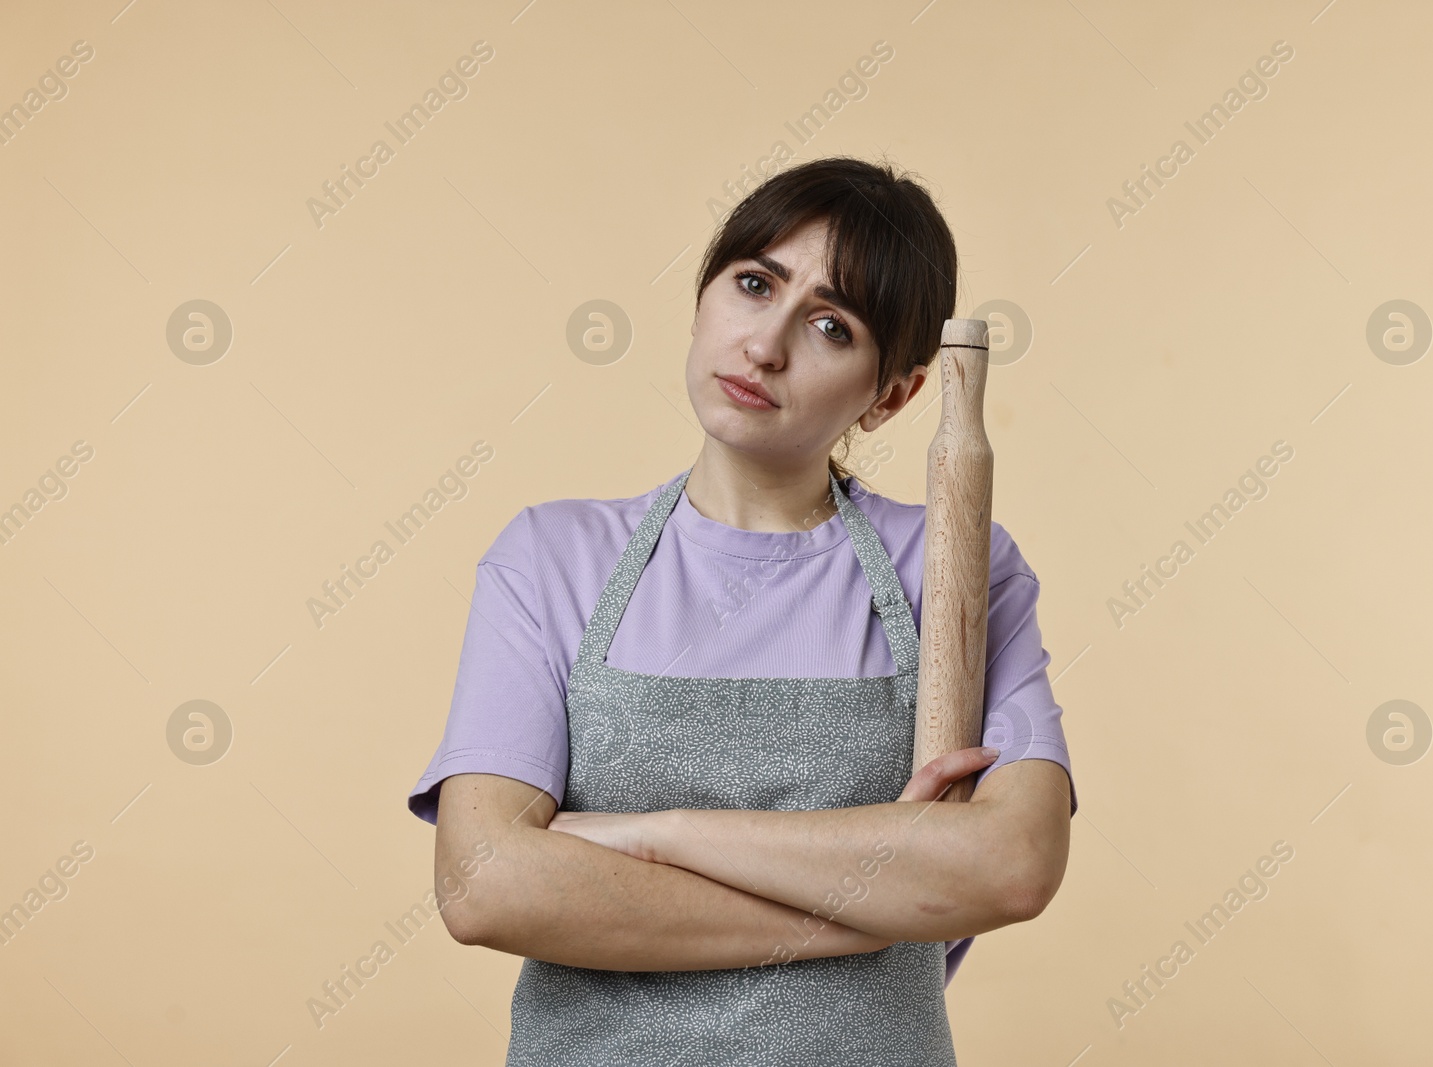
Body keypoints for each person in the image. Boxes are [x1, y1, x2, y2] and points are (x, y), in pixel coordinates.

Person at [407, 155, 1078, 1065]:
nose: (765, 345)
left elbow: (1009, 865)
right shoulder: (550, 559)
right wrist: (869, 905)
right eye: (754, 283)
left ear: (895, 394)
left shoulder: (955, 569)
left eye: (832, 326)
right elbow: (485, 883)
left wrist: (650, 835)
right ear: (702, 296)